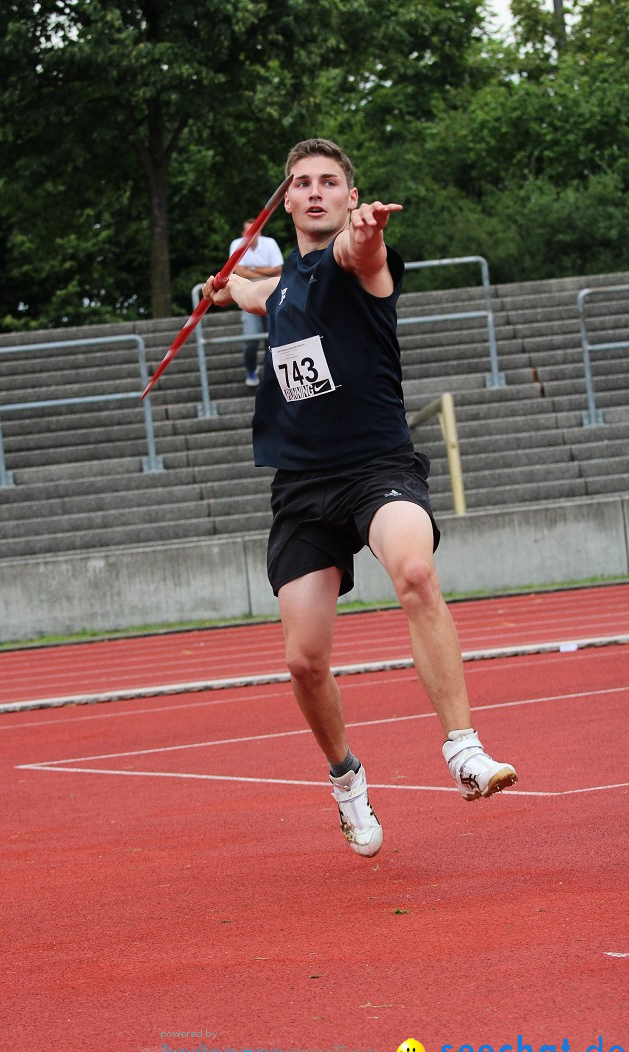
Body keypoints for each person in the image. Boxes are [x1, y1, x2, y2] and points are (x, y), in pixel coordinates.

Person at [203, 138, 517, 858]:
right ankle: (346, 780)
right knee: (303, 662)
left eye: (330, 183)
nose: (316, 191)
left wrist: (369, 232)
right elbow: (255, 292)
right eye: (302, 183)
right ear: (285, 201)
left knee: (414, 571)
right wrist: (224, 291)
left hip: (377, 466)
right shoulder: (279, 286)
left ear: (349, 196)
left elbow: (360, 254)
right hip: (302, 490)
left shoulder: (359, 262)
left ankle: (464, 750)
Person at [229, 218, 284, 387]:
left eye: (255, 230)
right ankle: (251, 370)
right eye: (248, 231)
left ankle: (272, 373)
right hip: (249, 292)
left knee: (274, 337)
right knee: (251, 338)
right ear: (243, 234)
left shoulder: (270, 243)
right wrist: (264, 272)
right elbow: (238, 271)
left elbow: (278, 269)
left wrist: (250, 270)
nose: (252, 234)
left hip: (270, 293)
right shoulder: (236, 244)